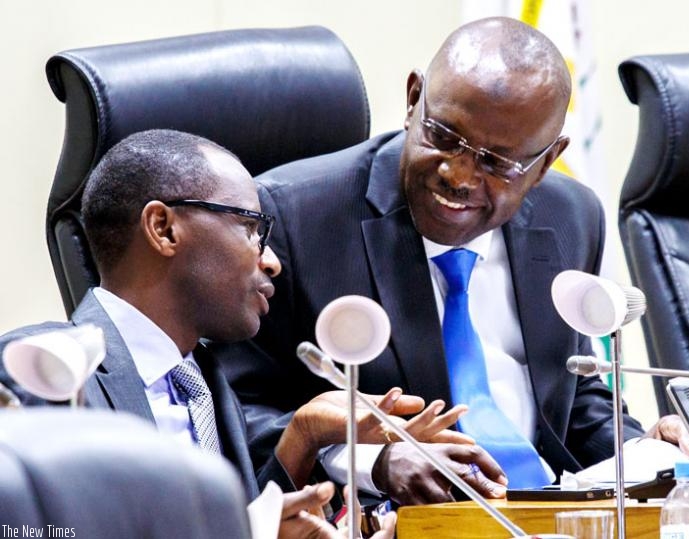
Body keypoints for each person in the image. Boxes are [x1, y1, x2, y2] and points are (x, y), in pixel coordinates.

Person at [214, 16, 689, 506]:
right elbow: (234, 412)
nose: (458, 175)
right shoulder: (294, 218)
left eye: (498, 162)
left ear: (546, 163)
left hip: (545, 510)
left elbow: (573, 401)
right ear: (413, 99)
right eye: (444, 135)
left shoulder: (572, 215)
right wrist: (373, 462)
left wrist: (642, 451)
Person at [0, 129, 467, 537]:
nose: (272, 261)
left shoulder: (205, 382)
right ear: (164, 229)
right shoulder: (41, 369)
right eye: (251, 228)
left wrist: (303, 439)